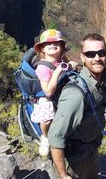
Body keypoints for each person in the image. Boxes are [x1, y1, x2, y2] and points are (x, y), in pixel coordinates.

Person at [48, 33, 106, 179]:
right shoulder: (76, 94)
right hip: (73, 162)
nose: (97, 58)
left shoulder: (104, 82)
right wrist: (63, 175)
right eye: (90, 54)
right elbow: (55, 136)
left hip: (91, 152)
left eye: (101, 53)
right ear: (82, 57)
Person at [31, 29, 71, 157]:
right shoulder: (42, 67)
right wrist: (58, 71)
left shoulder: (62, 61)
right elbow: (48, 91)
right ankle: (45, 137)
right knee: (47, 116)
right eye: (48, 44)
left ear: (61, 47)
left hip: (61, 93)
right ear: (42, 49)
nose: (52, 45)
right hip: (46, 97)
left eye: (56, 43)